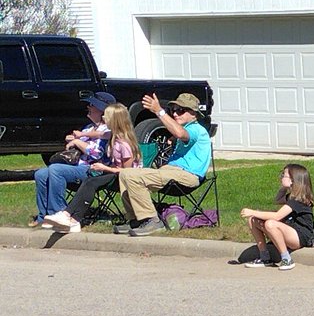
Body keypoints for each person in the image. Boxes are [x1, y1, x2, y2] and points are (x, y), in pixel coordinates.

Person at [116, 92, 212, 237]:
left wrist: (159, 111)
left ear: (193, 113)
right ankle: (135, 219)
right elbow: (179, 135)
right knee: (125, 173)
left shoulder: (195, 129)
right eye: (173, 110)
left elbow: (181, 134)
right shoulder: (188, 129)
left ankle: (152, 220)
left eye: (180, 110)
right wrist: (172, 139)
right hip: (172, 171)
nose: (175, 114)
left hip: (187, 175)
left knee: (133, 176)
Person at [43, 103, 142, 234]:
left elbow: (128, 172)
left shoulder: (124, 143)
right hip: (113, 171)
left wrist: (104, 167)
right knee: (90, 180)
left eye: (106, 116)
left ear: (114, 120)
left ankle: (70, 217)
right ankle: (69, 217)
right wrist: (79, 136)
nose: (103, 118)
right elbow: (99, 134)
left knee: (91, 182)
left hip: (124, 177)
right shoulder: (112, 135)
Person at [31, 92, 115, 227]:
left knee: (55, 170)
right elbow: (78, 146)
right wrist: (72, 140)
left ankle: (60, 214)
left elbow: (97, 154)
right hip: (77, 166)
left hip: (94, 169)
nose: (88, 107)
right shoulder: (88, 128)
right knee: (41, 174)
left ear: (102, 110)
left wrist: (77, 142)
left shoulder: (109, 130)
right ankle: (44, 216)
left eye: (92, 105)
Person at [239, 163, 314, 270]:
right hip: (290, 231)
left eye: (284, 175)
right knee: (253, 220)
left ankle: (286, 259)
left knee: (271, 224)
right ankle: (265, 257)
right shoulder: (292, 196)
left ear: (293, 180)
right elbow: (278, 200)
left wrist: (253, 211)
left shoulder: (300, 199)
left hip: (301, 236)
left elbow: (277, 216)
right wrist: (284, 187)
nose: (281, 177)